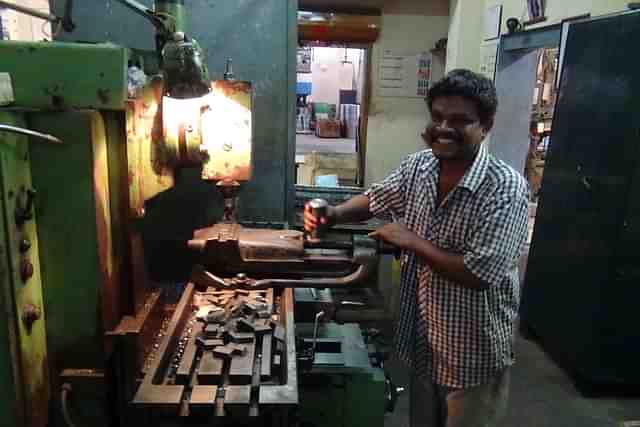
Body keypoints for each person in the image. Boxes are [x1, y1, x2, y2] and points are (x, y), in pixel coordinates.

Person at [304, 69, 529, 427]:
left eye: (460, 120)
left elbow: (480, 273)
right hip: (423, 341)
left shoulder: (504, 188)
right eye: (437, 117)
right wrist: (333, 213)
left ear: (486, 126)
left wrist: (411, 240)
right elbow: (377, 198)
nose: (443, 128)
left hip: (472, 351)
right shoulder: (420, 166)